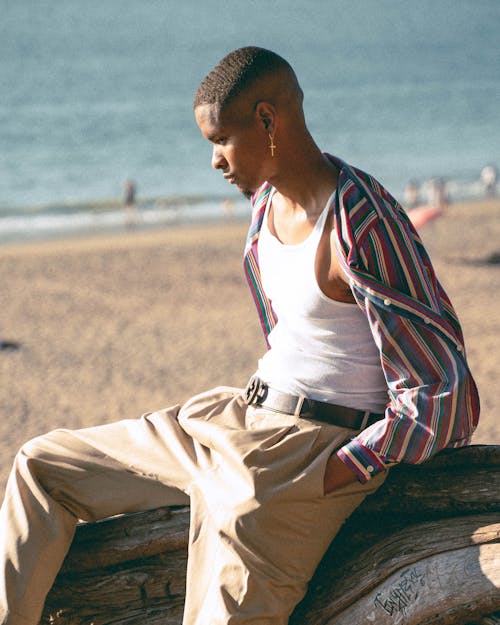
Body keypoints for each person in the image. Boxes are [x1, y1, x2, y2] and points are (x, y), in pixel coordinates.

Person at [0, 47, 480, 625]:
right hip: (230, 418)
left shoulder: (361, 221)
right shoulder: (265, 205)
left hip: (300, 455)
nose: (213, 162)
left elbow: (445, 388)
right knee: (42, 466)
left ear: (268, 121)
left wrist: (346, 468)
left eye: (220, 140)